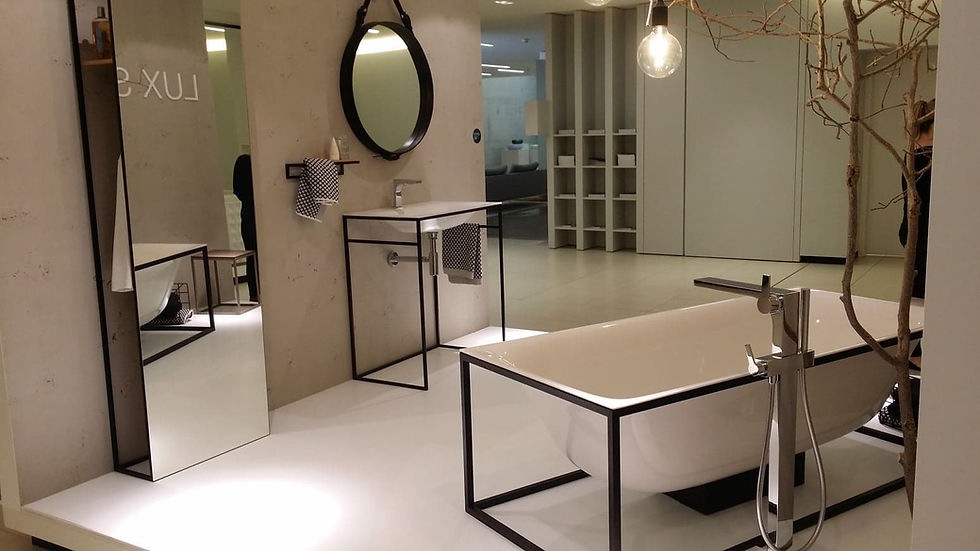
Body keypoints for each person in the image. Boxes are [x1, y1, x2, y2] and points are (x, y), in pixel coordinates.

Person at [233, 154, 259, 302]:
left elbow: (238, 190)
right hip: (253, 214)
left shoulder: (243, 161)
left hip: (248, 214)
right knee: (254, 254)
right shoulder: (248, 162)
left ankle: (254, 294)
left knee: (252, 255)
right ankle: (257, 293)